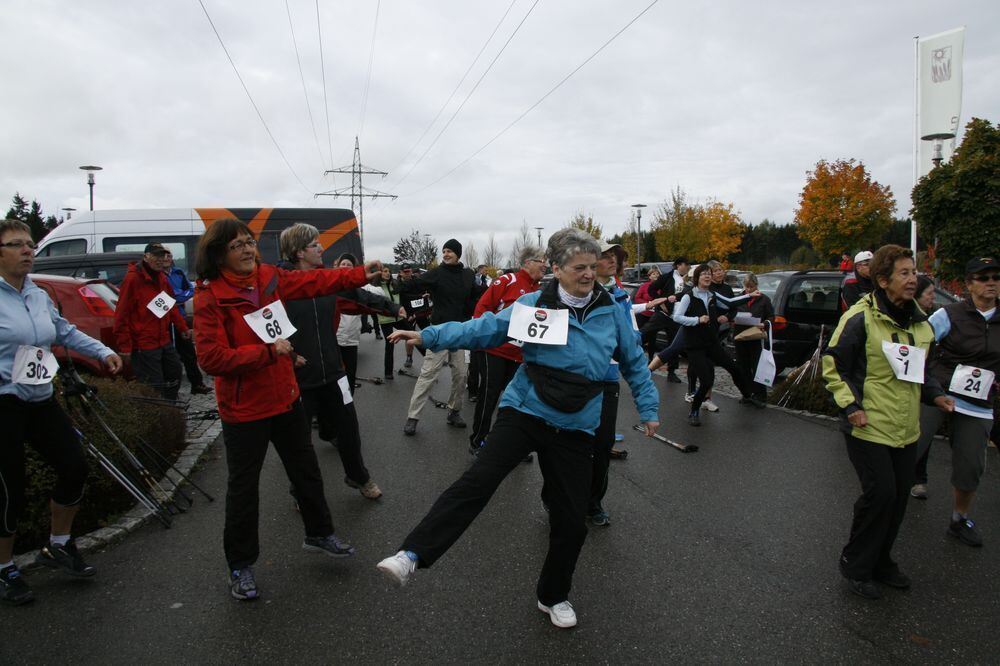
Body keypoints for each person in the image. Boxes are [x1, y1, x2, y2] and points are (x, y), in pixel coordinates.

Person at [376, 228, 660, 629]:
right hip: (526, 410)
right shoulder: (532, 305)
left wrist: (649, 408)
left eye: (592, 268)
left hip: (577, 424)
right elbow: (483, 329)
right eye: (579, 268)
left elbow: (633, 360)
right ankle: (412, 555)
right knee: (478, 481)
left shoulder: (612, 309)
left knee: (571, 521)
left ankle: (553, 596)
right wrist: (429, 334)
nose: (588, 275)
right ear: (557, 269)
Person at [193, 217, 378, 601]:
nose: (247, 249)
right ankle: (240, 566)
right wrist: (264, 354)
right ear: (218, 254)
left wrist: (360, 274)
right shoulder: (209, 297)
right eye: (237, 245)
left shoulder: (270, 277)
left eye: (249, 242)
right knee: (243, 489)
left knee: (306, 470)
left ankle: (319, 533)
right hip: (244, 410)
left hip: (286, 397)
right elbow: (211, 358)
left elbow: (315, 281)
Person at [0, 218, 124, 606]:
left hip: (39, 397)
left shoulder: (36, 293)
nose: (27, 250)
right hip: (4, 401)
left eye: (30, 244)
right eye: (17, 244)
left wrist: (102, 351)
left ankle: (57, 545)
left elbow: (64, 331)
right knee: (9, 489)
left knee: (75, 466)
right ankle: (4, 568)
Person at [822, 244, 953, 600]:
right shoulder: (861, 318)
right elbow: (833, 364)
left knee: (897, 500)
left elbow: (922, 371)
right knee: (880, 494)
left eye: (914, 272)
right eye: (905, 273)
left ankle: (882, 561)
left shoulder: (919, 321)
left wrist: (936, 393)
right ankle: (856, 563)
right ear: (883, 280)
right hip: (867, 424)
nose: (914, 280)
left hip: (906, 426)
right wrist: (851, 407)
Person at [278, 224, 400, 500]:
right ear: (298, 252)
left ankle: (358, 476)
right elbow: (267, 331)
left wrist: (392, 307)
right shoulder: (280, 286)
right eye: (314, 245)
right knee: (299, 442)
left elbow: (359, 296)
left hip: (334, 371)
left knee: (349, 429)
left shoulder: (326, 281)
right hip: (299, 375)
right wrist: (289, 355)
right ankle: (300, 490)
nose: (321, 248)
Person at [910, 257, 998, 545]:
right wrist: (925, 380)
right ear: (970, 283)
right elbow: (919, 342)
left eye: (996, 277)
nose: (991, 282)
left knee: (971, 465)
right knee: (909, 449)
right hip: (940, 393)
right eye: (983, 278)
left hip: (979, 402)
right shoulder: (950, 314)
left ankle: (959, 520)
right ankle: (889, 509)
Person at [586, 241, 664, 525]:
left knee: (603, 442)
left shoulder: (621, 296)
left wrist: (629, 343)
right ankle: (555, 496)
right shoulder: (578, 290)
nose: (611, 261)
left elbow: (631, 337)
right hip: (575, 382)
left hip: (607, 380)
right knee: (568, 446)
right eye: (605, 256)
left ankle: (593, 503)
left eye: (614, 257)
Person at [650, 264, 764, 426]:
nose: (708, 276)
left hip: (711, 342)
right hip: (695, 345)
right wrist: (697, 320)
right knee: (706, 381)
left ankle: (747, 396)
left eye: (709, 274)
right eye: (704, 274)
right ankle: (694, 411)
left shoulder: (712, 295)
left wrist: (749, 295)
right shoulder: (689, 296)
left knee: (734, 368)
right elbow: (677, 317)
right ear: (697, 278)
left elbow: (730, 303)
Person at [468, 246, 545, 456]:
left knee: (517, 400)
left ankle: (511, 444)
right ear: (527, 262)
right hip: (494, 350)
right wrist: (480, 339)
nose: (545, 265)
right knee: (489, 395)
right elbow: (482, 308)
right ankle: (478, 441)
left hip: (520, 356)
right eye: (541, 260)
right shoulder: (507, 280)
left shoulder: (540, 290)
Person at [399, 239, 477, 436]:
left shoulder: (468, 275)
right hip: (439, 331)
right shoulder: (436, 273)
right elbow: (414, 284)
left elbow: (478, 294)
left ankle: (454, 411)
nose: (446, 254)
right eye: (444, 251)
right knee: (428, 375)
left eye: (449, 251)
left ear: (458, 253)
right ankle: (413, 417)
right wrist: (399, 283)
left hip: (461, 332)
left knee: (461, 375)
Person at [113, 242, 191, 400]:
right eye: (155, 255)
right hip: (144, 344)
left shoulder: (161, 278)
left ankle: (170, 410)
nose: (160, 259)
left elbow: (170, 305)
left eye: (162, 255)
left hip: (163, 339)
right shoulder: (133, 279)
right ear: (146, 257)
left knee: (175, 372)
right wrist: (125, 347)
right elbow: (121, 315)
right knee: (154, 386)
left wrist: (182, 328)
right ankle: (161, 415)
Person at [333, 253, 398, 390]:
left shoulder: (360, 288)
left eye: (349, 265)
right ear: (337, 267)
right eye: (343, 264)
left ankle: (348, 404)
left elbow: (378, 292)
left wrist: (369, 279)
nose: (345, 267)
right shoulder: (331, 286)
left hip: (351, 340)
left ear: (354, 268)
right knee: (336, 380)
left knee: (349, 379)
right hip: (334, 340)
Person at [165, 252, 212, 395]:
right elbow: (168, 296)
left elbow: (190, 291)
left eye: (168, 255)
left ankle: (197, 384)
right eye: (163, 256)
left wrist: (178, 296)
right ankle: (171, 390)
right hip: (166, 320)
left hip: (180, 316)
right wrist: (176, 296)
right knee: (170, 357)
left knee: (189, 353)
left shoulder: (178, 273)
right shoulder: (158, 276)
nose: (166, 259)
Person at [910, 275, 938, 498]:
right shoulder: (936, 320)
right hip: (904, 389)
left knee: (922, 433)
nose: (934, 298)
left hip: (926, 384)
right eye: (930, 293)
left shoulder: (929, 321)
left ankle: (919, 479)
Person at [639, 257, 690, 380]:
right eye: (685, 265)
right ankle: (628, 350)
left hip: (676, 317)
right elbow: (652, 289)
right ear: (678, 265)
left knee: (674, 345)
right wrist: (660, 302)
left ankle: (671, 372)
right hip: (663, 314)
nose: (687, 267)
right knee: (645, 332)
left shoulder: (686, 280)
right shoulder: (667, 277)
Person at [732, 273, 775, 403]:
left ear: (756, 285)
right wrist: (732, 319)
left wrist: (765, 323)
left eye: (751, 287)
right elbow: (731, 313)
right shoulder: (739, 298)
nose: (749, 290)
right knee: (743, 366)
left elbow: (771, 317)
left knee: (757, 367)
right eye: (747, 287)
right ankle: (747, 393)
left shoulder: (764, 299)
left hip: (756, 337)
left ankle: (760, 395)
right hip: (740, 336)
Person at [374, 265, 406, 380]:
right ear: (380, 273)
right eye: (385, 271)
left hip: (399, 318)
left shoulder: (395, 284)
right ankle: (388, 372)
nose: (387, 273)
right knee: (390, 345)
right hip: (385, 319)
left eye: (389, 271)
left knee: (415, 335)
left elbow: (401, 299)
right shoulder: (377, 288)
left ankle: (429, 359)